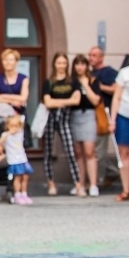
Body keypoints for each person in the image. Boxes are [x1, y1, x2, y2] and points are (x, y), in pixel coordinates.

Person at [42, 53, 82, 196]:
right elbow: (47, 102)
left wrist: (56, 102)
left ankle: (78, 184)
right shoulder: (49, 82)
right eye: (59, 63)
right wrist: (66, 101)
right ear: (54, 64)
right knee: (48, 152)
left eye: (64, 63)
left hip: (65, 119)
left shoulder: (73, 82)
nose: (61, 66)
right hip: (50, 119)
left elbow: (76, 101)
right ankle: (51, 183)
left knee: (70, 152)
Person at [69, 55, 101, 197]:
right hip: (74, 116)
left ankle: (93, 184)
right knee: (78, 152)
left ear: (87, 66)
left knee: (89, 151)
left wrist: (85, 85)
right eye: (77, 64)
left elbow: (95, 101)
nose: (80, 67)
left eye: (83, 64)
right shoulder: (71, 82)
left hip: (88, 116)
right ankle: (80, 183)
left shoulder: (94, 80)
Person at [108, 41, 129, 201]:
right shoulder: (124, 73)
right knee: (124, 153)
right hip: (125, 116)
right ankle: (126, 190)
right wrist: (113, 120)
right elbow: (116, 97)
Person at [89, 46, 119, 188]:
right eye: (90, 55)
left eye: (94, 55)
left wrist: (99, 87)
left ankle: (99, 180)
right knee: (92, 150)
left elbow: (116, 89)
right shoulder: (90, 72)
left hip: (103, 113)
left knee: (99, 150)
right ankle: (113, 172)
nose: (91, 58)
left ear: (101, 57)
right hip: (91, 114)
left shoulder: (109, 72)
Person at [0, 114, 34, 205]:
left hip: (23, 159)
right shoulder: (5, 135)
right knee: (18, 177)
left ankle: (24, 193)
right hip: (14, 160)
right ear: (7, 126)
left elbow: (23, 118)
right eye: (12, 126)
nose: (14, 128)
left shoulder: (20, 133)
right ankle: (17, 194)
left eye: (16, 126)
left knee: (25, 177)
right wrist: (8, 133)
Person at [0, 49, 29, 115]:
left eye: (10, 60)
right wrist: (10, 101)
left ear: (16, 62)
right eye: (5, 60)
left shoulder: (23, 78)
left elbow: (23, 98)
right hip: (1, 113)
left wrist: (1, 96)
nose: (7, 62)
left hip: (18, 114)